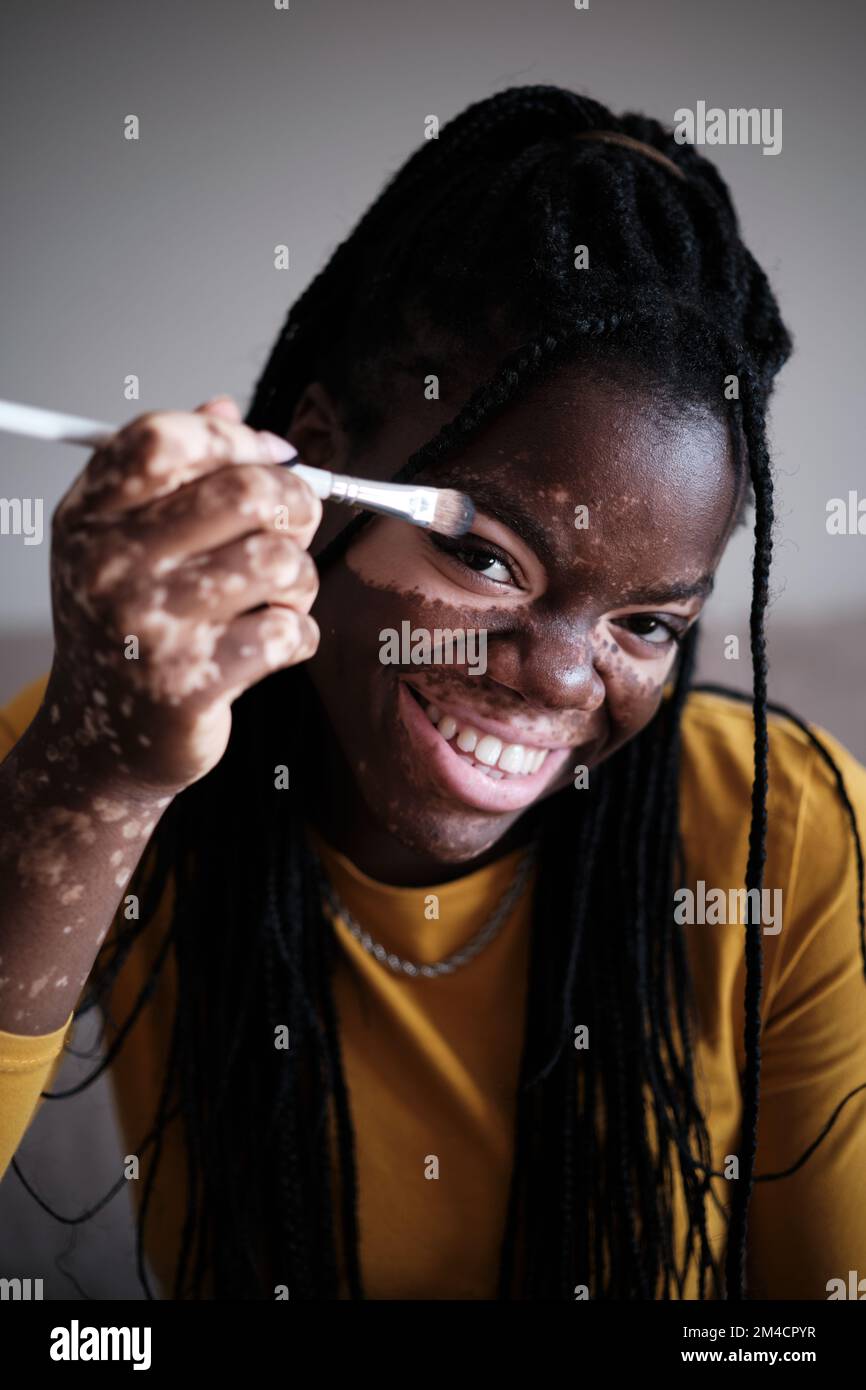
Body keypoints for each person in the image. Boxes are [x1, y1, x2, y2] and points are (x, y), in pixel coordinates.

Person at [0, 86, 864, 1302]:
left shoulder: (788, 836)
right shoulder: (115, 747)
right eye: (482, 556)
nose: (562, 678)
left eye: (645, 623)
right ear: (315, 467)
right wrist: (94, 775)